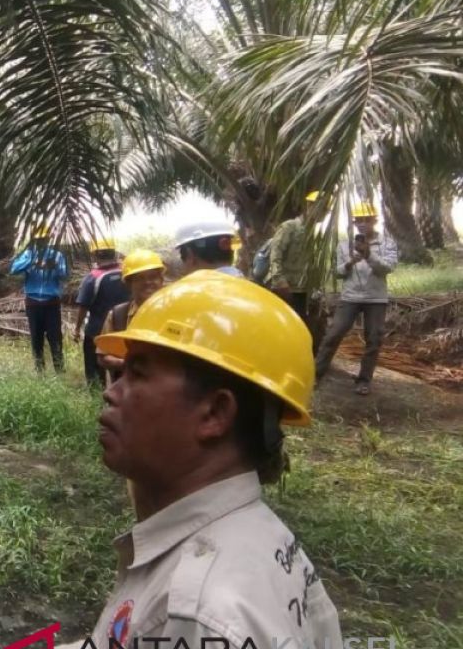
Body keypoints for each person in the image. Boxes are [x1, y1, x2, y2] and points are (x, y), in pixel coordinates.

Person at [62, 272, 342, 648]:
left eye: (138, 373)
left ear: (215, 413)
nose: (112, 392)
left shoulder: (203, 616)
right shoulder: (256, 536)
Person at [314, 202, 398, 396]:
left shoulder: (387, 243)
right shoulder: (345, 244)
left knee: (374, 338)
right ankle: (316, 374)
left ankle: (364, 380)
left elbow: (388, 268)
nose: (361, 224)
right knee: (334, 333)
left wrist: (369, 254)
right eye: (357, 220)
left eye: (365, 220)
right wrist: (349, 263)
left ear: (374, 221)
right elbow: (337, 273)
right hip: (350, 297)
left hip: (376, 298)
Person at [96, 249, 165, 384]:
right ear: (128, 283)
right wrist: (129, 365)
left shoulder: (174, 312)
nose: (148, 282)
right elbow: (103, 357)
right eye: (140, 278)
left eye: (153, 277)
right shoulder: (117, 315)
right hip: (129, 391)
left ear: (161, 280)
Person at [10, 225, 68, 374]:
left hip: (51, 303)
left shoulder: (57, 256)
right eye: (38, 240)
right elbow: (14, 269)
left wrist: (54, 267)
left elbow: (64, 274)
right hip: (33, 303)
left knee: (55, 337)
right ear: (34, 240)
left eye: (44, 239)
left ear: (48, 239)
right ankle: (39, 370)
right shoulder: (27, 255)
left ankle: (59, 370)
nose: (41, 242)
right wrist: (32, 262)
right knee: (36, 337)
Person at [72, 239, 129, 386]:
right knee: (121, 367)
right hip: (124, 329)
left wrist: (77, 329)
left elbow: (83, 307)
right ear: (114, 253)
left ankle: (96, 395)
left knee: (94, 367)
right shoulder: (127, 273)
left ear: (95, 255)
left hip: (97, 330)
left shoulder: (93, 278)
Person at [266, 191, 322, 327]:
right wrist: (279, 280)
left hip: (302, 289)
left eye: (326, 209)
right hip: (284, 288)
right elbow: (275, 254)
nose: (323, 212)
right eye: (321, 207)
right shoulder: (290, 226)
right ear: (309, 206)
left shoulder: (314, 232)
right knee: (280, 325)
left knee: (298, 325)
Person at [174, 220, 242, 277]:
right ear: (226, 244)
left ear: (190, 255)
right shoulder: (251, 287)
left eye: (182, 255)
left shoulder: (181, 292)